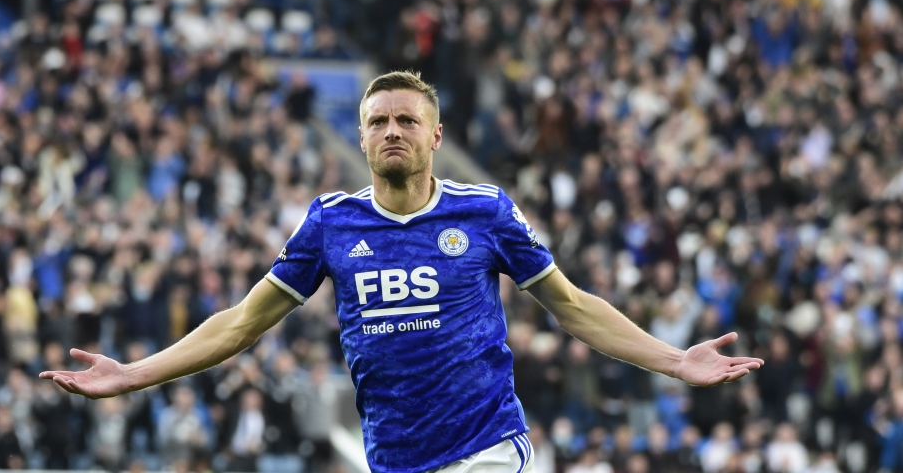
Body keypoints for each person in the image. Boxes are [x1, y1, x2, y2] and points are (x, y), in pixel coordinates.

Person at [40, 71, 764, 473]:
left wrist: (673, 361)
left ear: (435, 136)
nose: (392, 130)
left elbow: (572, 306)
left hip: (486, 448)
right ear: (360, 137)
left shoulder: (485, 212)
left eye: (407, 120)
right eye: (379, 121)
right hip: (393, 458)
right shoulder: (329, 223)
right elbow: (240, 324)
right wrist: (134, 373)